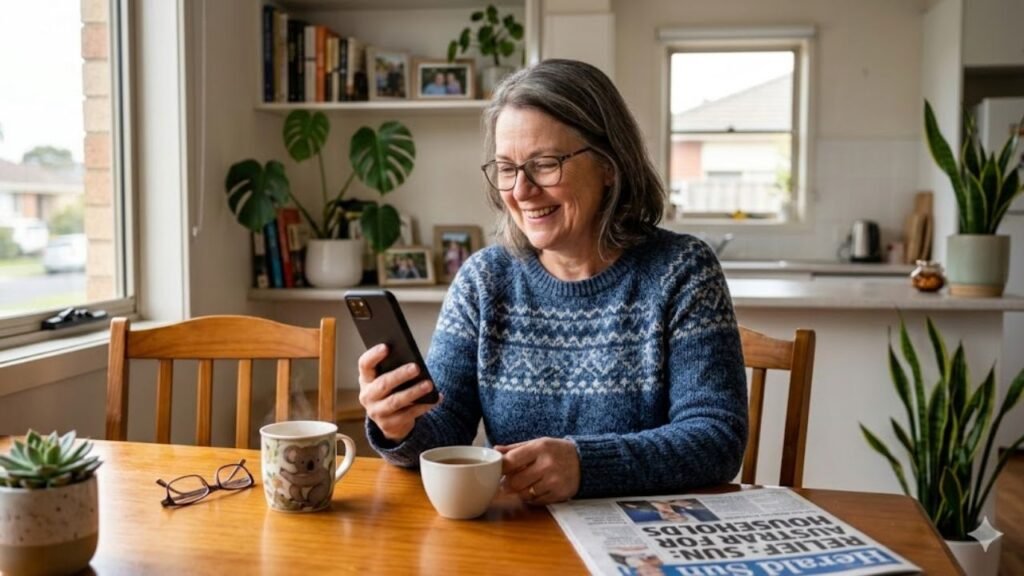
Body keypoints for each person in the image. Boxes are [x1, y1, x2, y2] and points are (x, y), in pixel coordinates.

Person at [357, 59, 747, 504]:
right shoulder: (485, 280)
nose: (521, 191)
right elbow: (445, 432)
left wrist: (586, 464)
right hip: (520, 537)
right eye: (506, 168)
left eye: (544, 164)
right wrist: (399, 424)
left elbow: (717, 439)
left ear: (610, 166)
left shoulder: (682, 270)